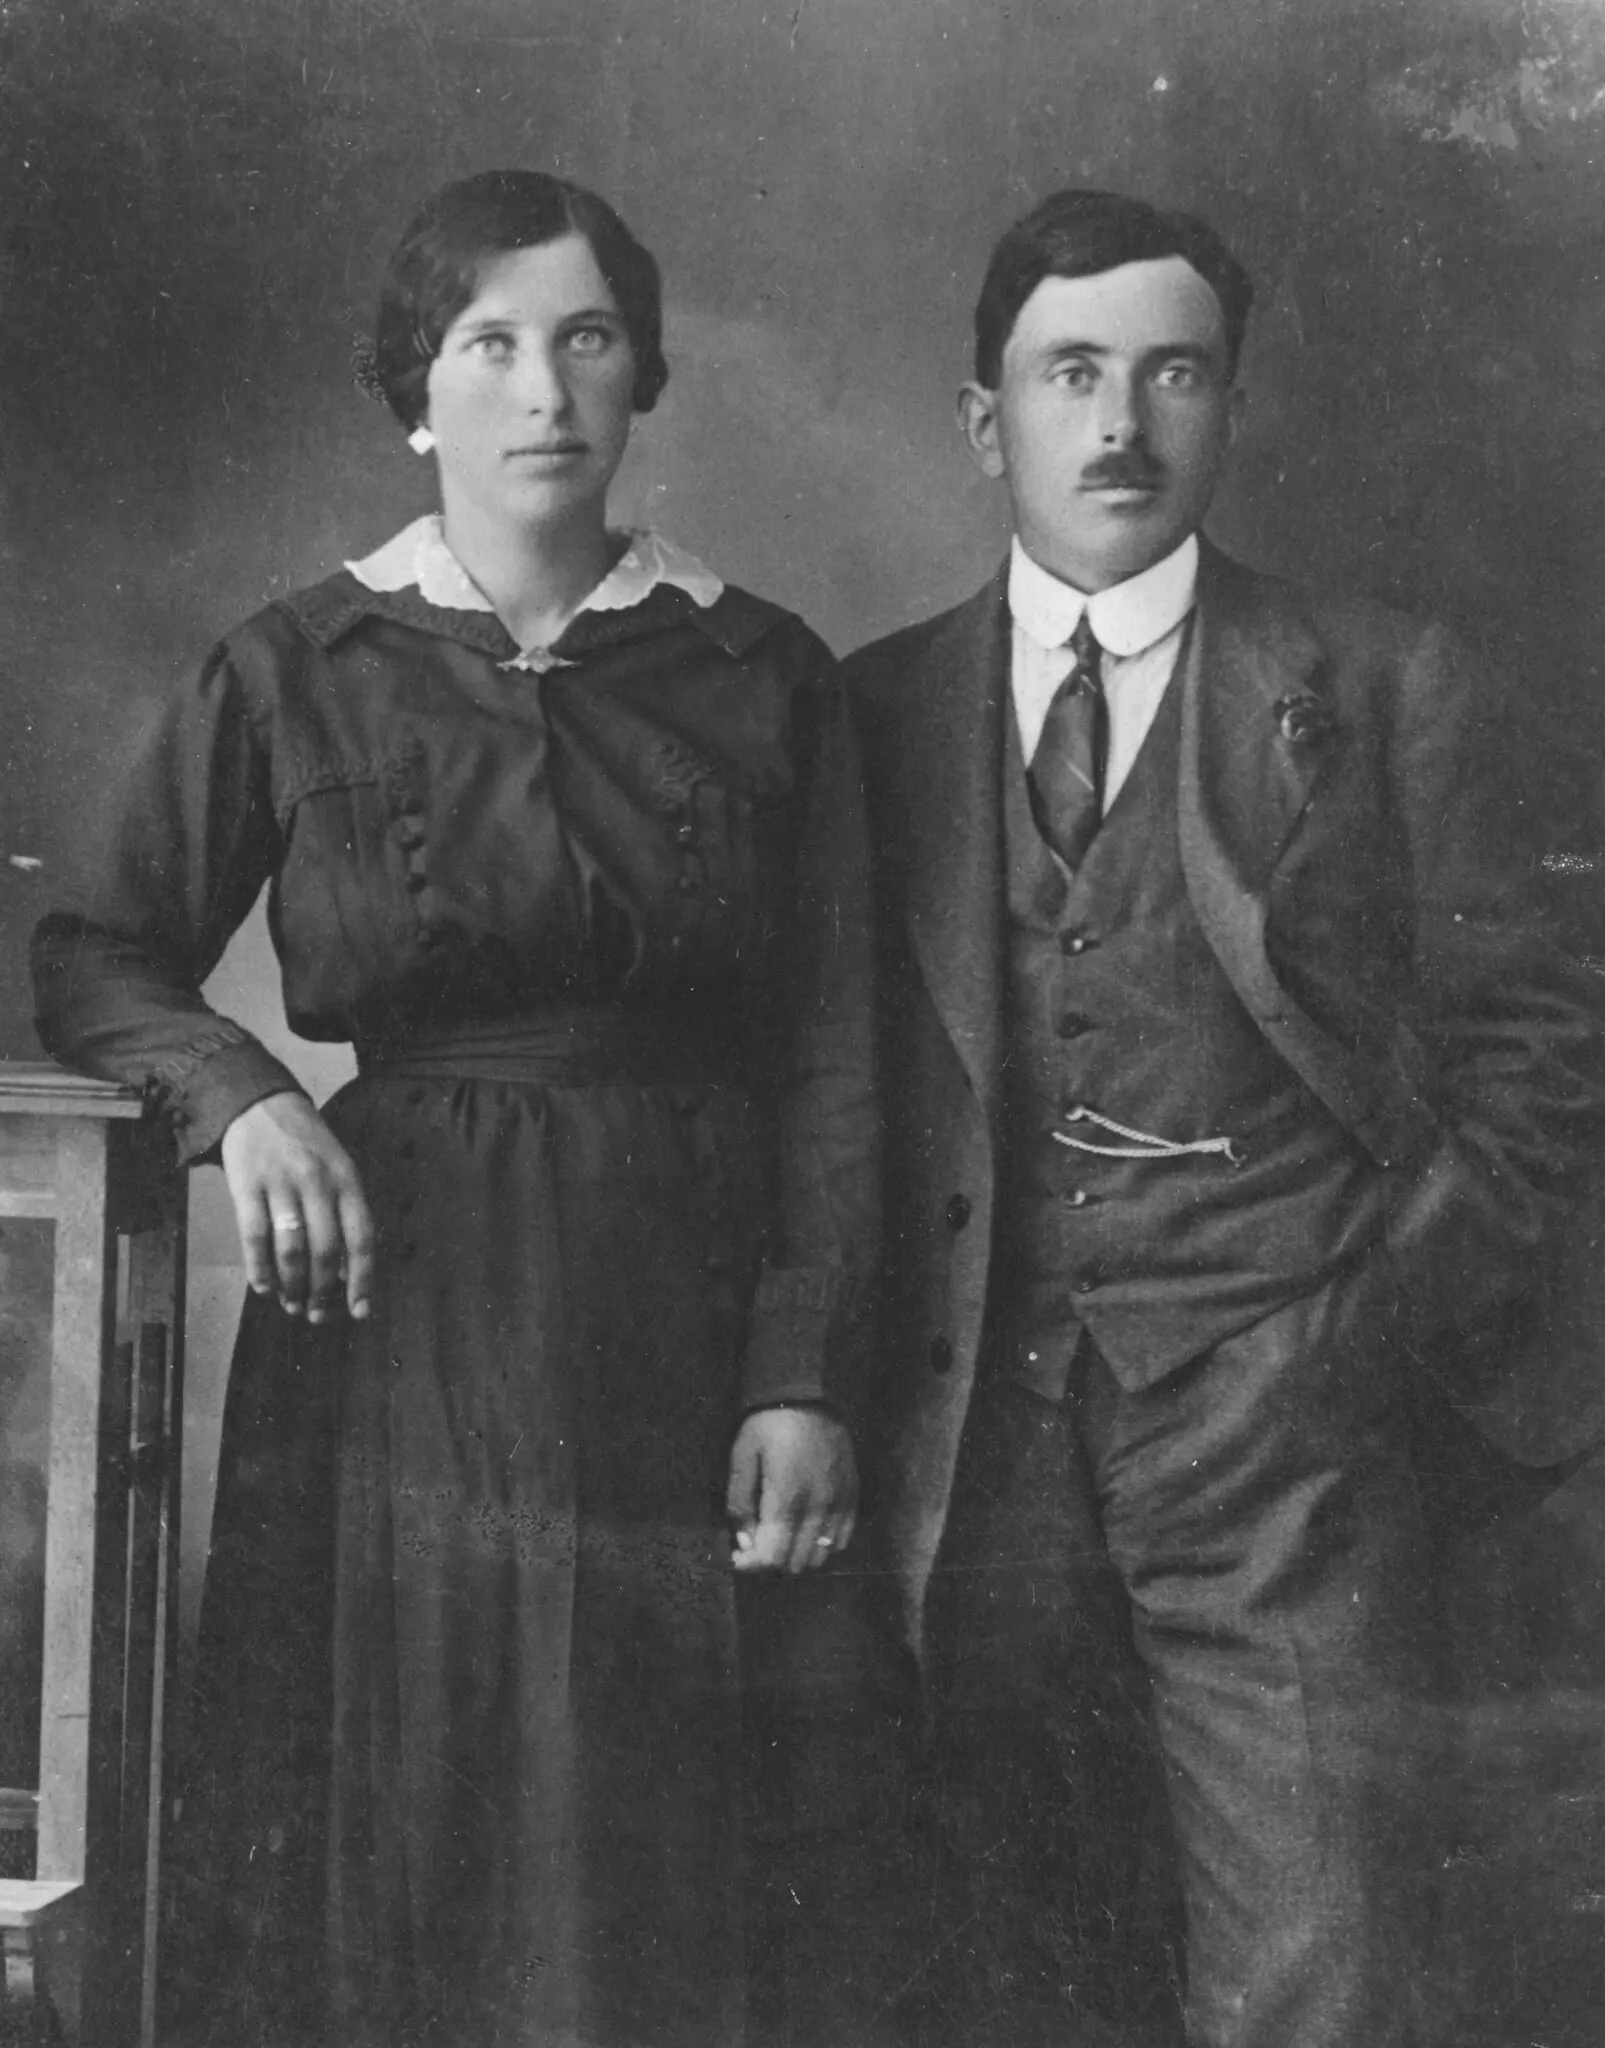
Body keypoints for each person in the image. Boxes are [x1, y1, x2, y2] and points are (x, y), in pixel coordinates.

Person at [32, 169, 877, 2048]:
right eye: (489, 344)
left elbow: (839, 1056)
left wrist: (802, 1371)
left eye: (588, 338)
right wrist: (245, 1097)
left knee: (672, 1840)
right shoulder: (295, 665)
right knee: (403, 1807)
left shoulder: (763, 672)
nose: (543, 390)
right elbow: (95, 955)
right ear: (415, 391)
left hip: (685, 1309)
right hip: (397, 1318)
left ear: (644, 373)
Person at [844, 188, 1605, 2048]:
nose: (1121, 425)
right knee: (1003, 1972)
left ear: (1234, 406)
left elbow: (1544, 1066)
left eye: (1174, 374)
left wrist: (1363, 1335)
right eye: (1070, 375)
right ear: (984, 421)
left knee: (1315, 1976)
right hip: (976, 1446)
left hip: (1289, 1449)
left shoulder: (1385, 683)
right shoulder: (871, 714)